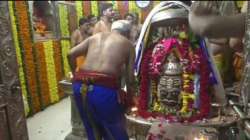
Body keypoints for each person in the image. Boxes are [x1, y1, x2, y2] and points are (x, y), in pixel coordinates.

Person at [67, 20, 136, 140]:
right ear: (127, 33)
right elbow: (130, 80)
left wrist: (75, 74)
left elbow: (70, 54)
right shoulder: (128, 45)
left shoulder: (95, 37)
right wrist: (130, 101)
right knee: (115, 128)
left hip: (79, 86)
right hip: (103, 91)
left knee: (92, 128)